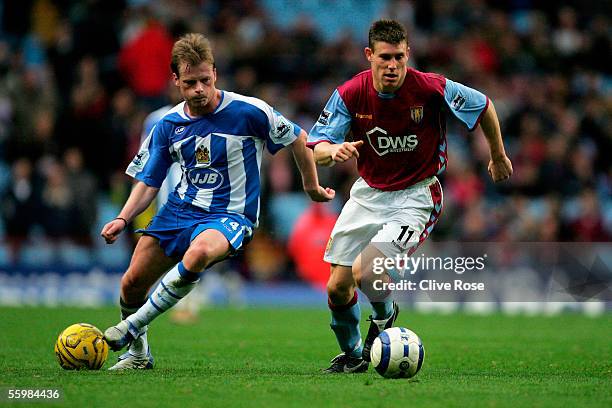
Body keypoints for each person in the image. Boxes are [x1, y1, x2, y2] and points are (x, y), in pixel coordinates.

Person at [101, 33, 334, 370]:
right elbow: (149, 180)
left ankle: (132, 325)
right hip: (179, 211)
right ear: (176, 81)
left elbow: (298, 137)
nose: (199, 89)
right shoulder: (167, 125)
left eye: (205, 80)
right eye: (191, 82)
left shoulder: (249, 111)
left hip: (232, 214)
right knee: (131, 282)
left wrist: (311, 186)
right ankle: (138, 355)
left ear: (215, 74)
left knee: (197, 254)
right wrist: (123, 218)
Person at [307, 19, 513, 373]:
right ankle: (355, 355)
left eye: (399, 57)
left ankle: (382, 322)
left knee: (367, 270)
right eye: (385, 57)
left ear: (408, 54)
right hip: (368, 193)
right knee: (337, 289)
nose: (392, 66)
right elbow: (317, 148)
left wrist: (497, 155)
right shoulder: (350, 94)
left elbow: (483, 106)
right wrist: (332, 150)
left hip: (416, 197)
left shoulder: (430, 88)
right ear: (369, 55)